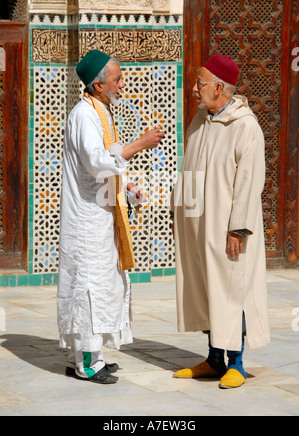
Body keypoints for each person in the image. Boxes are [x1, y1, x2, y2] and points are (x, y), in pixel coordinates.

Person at [57, 50, 164, 384]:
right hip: (87, 219)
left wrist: (128, 187)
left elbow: (108, 157)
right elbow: (97, 161)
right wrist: (140, 143)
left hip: (101, 214)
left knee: (102, 286)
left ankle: (88, 355)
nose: (122, 82)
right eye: (117, 78)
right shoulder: (84, 115)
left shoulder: (99, 111)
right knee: (89, 287)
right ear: (99, 85)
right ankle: (87, 363)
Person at [170, 54, 270, 389]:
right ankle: (214, 359)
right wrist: (179, 210)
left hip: (229, 228)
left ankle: (237, 363)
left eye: (199, 82)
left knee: (232, 290)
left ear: (217, 87)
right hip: (198, 225)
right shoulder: (201, 121)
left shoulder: (246, 127)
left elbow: (249, 183)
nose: (194, 89)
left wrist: (238, 229)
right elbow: (190, 170)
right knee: (206, 287)